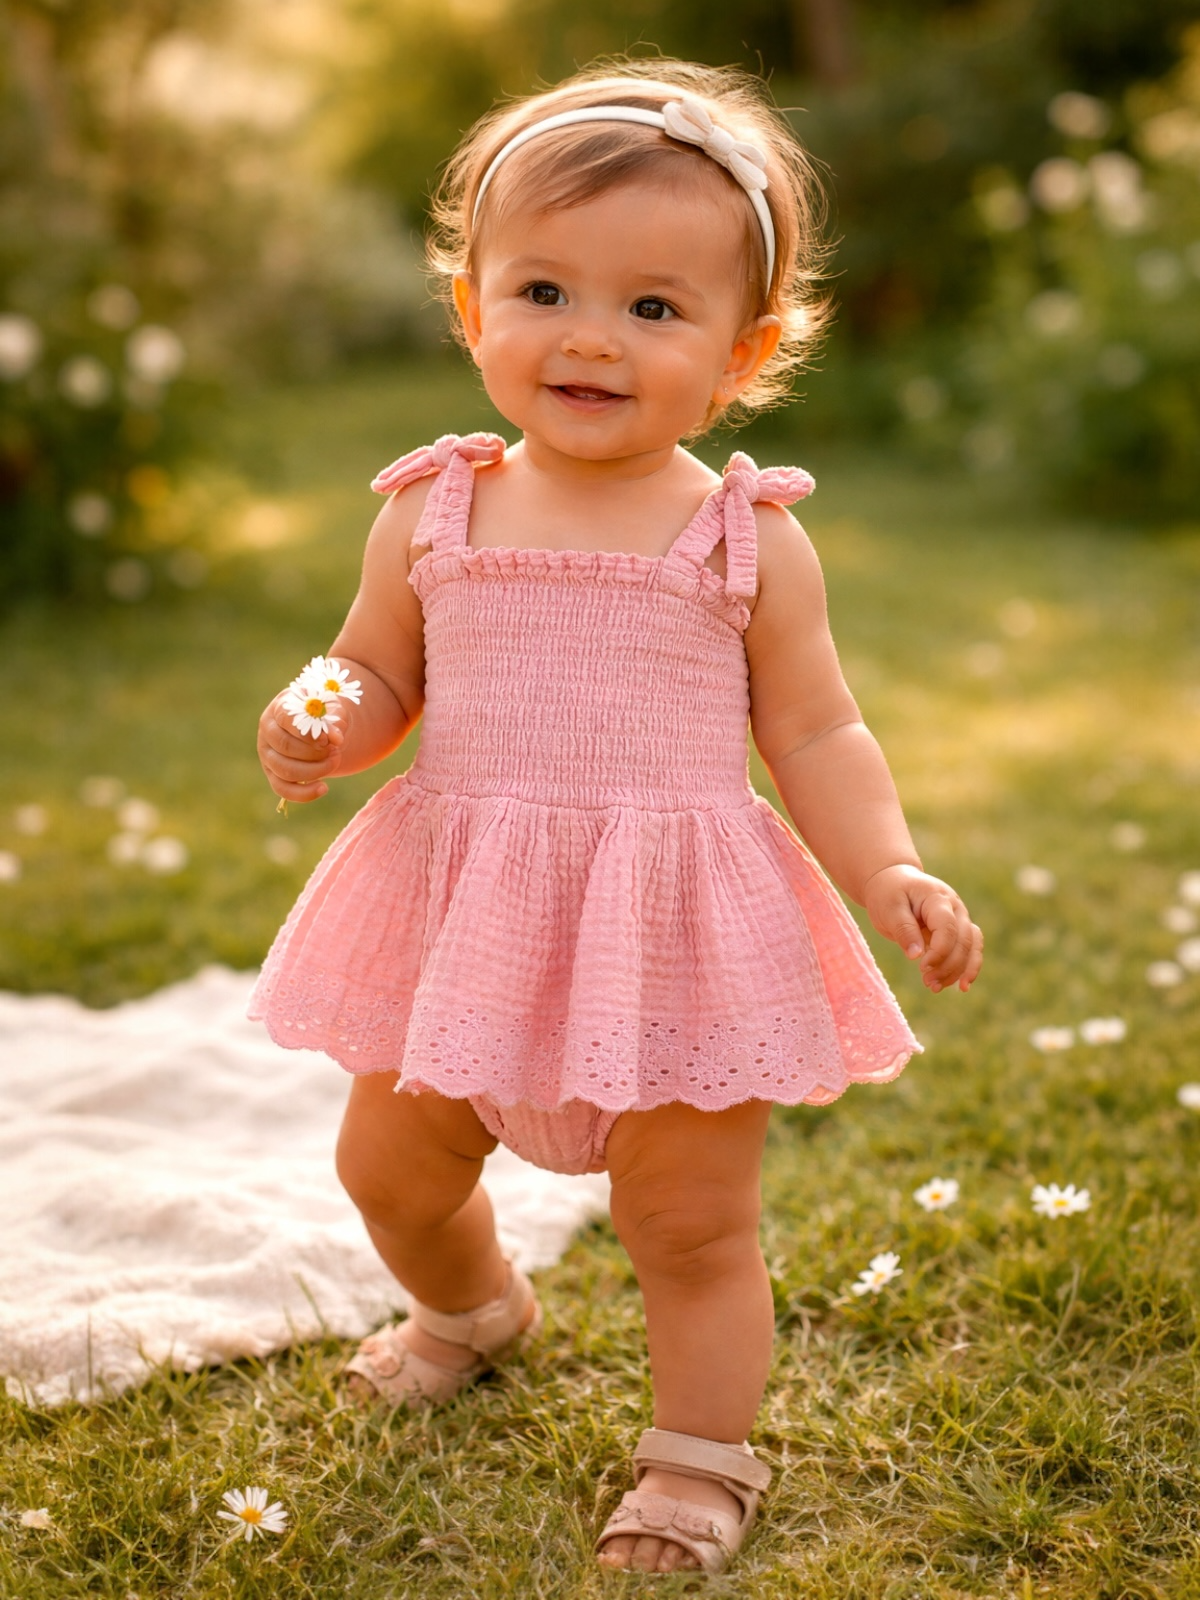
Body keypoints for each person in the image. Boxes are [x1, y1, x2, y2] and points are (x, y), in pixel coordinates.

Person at [250, 58, 983, 1576]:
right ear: (472, 309)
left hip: (676, 928)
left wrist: (891, 859)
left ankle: (701, 1458)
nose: (590, 336)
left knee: (691, 1225)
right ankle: (473, 1307)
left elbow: (818, 727)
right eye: (543, 291)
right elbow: (379, 664)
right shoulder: (431, 508)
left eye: (655, 309)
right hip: (471, 912)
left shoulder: (744, 538)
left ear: (743, 351)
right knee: (387, 1170)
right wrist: (322, 717)